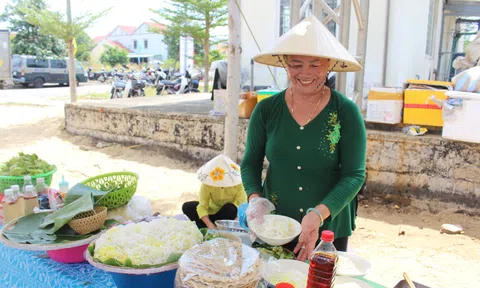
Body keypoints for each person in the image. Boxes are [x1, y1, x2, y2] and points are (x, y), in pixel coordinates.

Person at [240, 15, 367, 261]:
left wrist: (318, 214)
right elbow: (250, 163)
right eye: (296, 65)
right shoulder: (266, 110)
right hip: (276, 225)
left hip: (327, 226)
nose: (305, 73)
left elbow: (354, 174)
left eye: (315, 64)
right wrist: (255, 199)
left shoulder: (346, 112)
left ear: (328, 64)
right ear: (285, 64)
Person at [182, 154, 247, 229]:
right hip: (210, 212)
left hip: (226, 215)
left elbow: (243, 206)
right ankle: (207, 225)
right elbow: (202, 206)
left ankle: (212, 226)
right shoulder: (207, 184)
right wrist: (209, 223)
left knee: (231, 208)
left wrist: (235, 223)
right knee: (187, 206)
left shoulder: (238, 184)